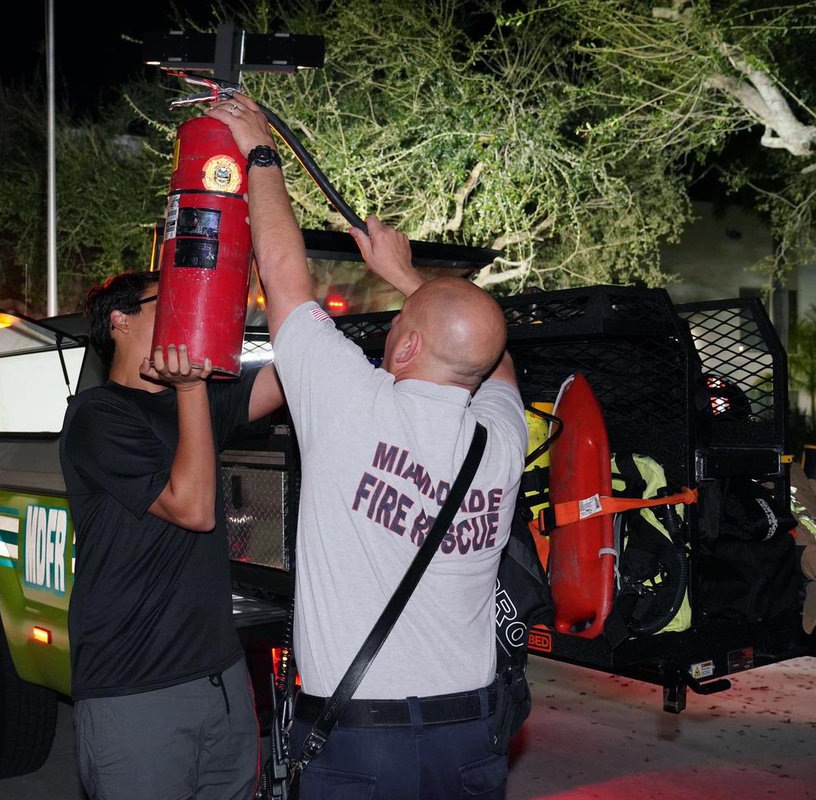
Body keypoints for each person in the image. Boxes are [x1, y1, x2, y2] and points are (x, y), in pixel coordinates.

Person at [207, 95, 527, 799]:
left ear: (408, 343)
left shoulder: (353, 404)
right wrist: (410, 280)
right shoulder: (504, 439)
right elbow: (493, 356)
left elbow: (284, 277)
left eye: (400, 325)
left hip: (360, 743)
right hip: (471, 739)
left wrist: (261, 151)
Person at [59, 271, 284, 800]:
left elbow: (292, 372)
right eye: (174, 299)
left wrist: (267, 280)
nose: (191, 308)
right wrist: (191, 388)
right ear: (120, 320)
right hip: (135, 690)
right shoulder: (97, 414)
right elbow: (193, 508)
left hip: (221, 678)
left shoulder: (198, 398)